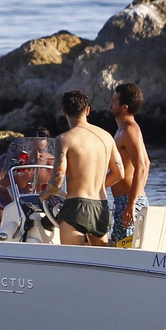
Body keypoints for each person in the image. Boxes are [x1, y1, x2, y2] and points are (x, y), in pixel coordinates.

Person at [43, 89, 123, 245]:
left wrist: (45, 193)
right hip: (100, 205)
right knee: (99, 260)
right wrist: (97, 185)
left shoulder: (63, 139)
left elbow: (58, 179)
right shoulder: (106, 136)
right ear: (87, 110)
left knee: (71, 260)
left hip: (76, 206)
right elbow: (119, 173)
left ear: (64, 111)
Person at [0, 129, 53, 240]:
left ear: (47, 147)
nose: (36, 155)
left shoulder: (53, 163)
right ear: (24, 146)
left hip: (34, 203)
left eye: (41, 150)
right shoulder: (13, 159)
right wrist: (9, 193)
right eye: (30, 149)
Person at [108, 82, 150, 247]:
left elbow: (141, 166)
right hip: (124, 201)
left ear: (124, 107)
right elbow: (147, 163)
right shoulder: (124, 129)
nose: (111, 103)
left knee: (122, 251)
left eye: (114, 100)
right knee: (117, 246)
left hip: (128, 202)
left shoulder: (129, 131)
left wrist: (132, 203)